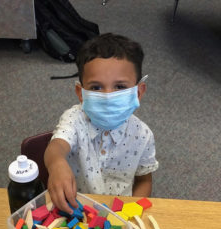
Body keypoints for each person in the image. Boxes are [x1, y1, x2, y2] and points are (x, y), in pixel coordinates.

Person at [44, 33, 159, 214]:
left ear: (138, 92)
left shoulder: (143, 135)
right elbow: (56, 147)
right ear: (81, 93)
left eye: (120, 87)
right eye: (96, 87)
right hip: (76, 208)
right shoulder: (74, 119)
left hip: (121, 213)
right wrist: (56, 164)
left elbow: (144, 181)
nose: (107, 97)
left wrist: (132, 210)